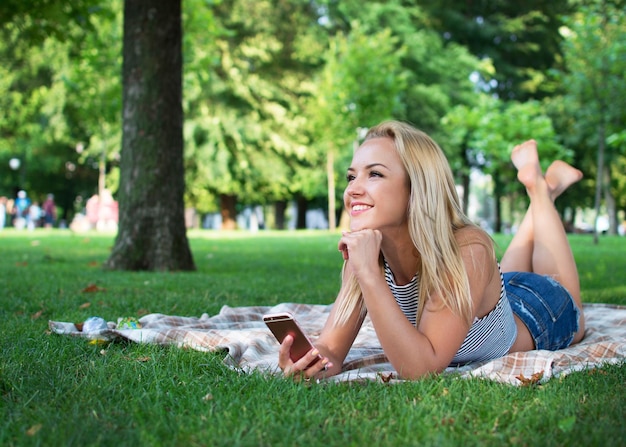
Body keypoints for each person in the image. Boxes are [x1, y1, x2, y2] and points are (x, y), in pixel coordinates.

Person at [278, 120, 585, 380]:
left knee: (572, 305)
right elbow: (332, 348)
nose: (353, 188)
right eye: (352, 175)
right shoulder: (366, 255)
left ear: (417, 188)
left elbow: (422, 368)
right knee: (503, 274)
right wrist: (310, 363)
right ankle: (544, 187)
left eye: (375, 174)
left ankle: (540, 191)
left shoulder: (468, 249)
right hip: (491, 295)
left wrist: (370, 274)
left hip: (539, 313)